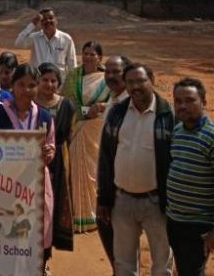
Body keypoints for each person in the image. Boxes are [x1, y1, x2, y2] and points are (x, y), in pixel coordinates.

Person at [97, 63, 175, 276]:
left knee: (162, 265)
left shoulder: (168, 116)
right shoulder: (117, 113)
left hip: (157, 203)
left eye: (140, 81)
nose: (135, 87)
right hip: (122, 201)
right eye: (130, 82)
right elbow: (106, 157)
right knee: (124, 264)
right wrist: (104, 198)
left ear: (152, 81)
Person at [0, 64, 56, 271]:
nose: (27, 90)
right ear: (13, 86)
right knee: (8, 233)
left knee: (38, 231)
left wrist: (50, 153)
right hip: (6, 185)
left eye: (32, 85)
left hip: (37, 184)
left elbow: (51, 145)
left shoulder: (45, 116)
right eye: (21, 85)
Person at [167, 78, 214, 276]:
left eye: (190, 100)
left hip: (198, 226)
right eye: (178, 101)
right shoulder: (178, 131)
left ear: (204, 102)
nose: (182, 106)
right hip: (174, 220)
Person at [61, 41, 111, 233]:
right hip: (77, 129)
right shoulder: (73, 76)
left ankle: (93, 215)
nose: (88, 57)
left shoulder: (108, 78)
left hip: (97, 131)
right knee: (75, 170)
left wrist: (101, 108)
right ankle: (77, 215)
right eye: (85, 53)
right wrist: (86, 111)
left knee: (94, 172)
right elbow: (66, 103)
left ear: (100, 57)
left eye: (92, 54)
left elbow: (116, 102)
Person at [34, 62, 76, 253]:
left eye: (53, 81)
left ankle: (47, 251)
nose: (49, 84)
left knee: (54, 204)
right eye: (45, 80)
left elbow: (70, 135)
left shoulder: (66, 105)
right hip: (31, 160)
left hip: (59, 162)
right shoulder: (30, 103)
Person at [96, 54, 132, 273]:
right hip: (110, 179)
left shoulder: (133, 103)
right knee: (106, 225)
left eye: (116, 72)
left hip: (130, 183)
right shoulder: (113, 100)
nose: (110, 76)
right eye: (107, 71)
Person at [14, 8, 76, 79]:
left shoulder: (66, 39)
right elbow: (18, 43)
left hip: (58, 82)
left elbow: (72, 64)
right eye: (44, 19)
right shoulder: (35, 38)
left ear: (56, 21)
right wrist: (32, 24)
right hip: (38, 81)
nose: (48, 21)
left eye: (50, 18)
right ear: (40, 23)